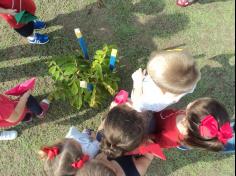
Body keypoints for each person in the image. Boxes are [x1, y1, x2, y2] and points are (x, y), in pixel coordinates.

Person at [149, 97, 233, 152]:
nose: (189, 104)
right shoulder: (188, 118)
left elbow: (152, 142)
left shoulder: (171, 137)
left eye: (191, 105)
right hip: (153, 117)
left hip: (147, 128)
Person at [131, 50, 201, 112]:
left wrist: (137, 82)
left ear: (159, 87)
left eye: (151, 75)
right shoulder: (188, 84)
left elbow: (137, 105)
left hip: (147, 100)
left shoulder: (150, 100)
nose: (148, 75)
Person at [77, 152, 154, 176]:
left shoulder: (101, 155)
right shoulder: (136, 169)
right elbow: (148, 157)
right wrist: (146, 139)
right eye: (100, 159)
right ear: (112, 167)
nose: (100, 156)